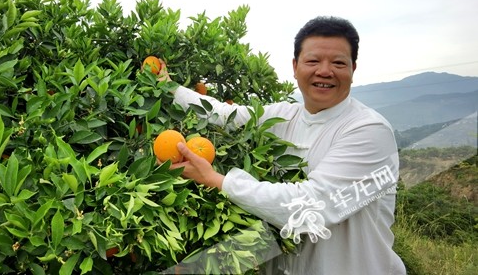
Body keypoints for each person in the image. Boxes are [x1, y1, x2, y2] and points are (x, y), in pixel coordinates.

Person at [160, 16, 406, 274]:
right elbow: (223, 115)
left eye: (338, 63)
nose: (324, 71)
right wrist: (169, 88)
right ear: (295, 66)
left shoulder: (368, 130)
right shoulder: (284, 115)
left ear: (353, 69)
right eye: (313, 61)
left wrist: (218, 181)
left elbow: (309, 206)